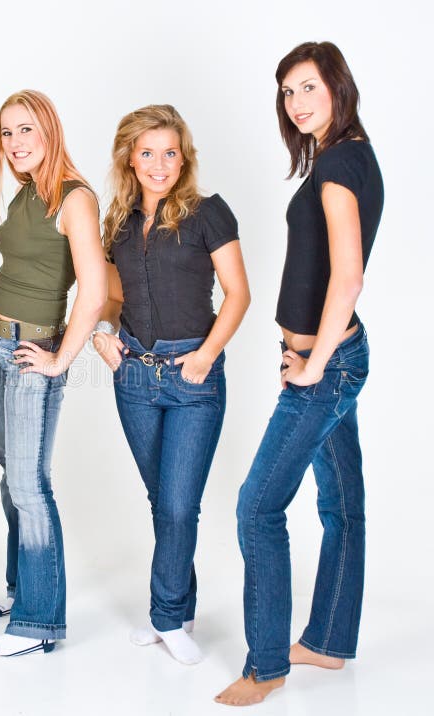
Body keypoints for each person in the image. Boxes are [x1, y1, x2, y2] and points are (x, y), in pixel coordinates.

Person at [216, 41, 384, 706]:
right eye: (288, 92)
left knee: (257, 507)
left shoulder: (340, 164)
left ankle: (267, 666)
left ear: (338, 87)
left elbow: (349, 275)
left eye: (309, 87)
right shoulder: (351, 154)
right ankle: (329, 643)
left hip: (328, 365)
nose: (298, 103)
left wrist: (312, 365)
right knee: (343, 506)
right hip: (331, 359)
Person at [93, 104, 250, 665]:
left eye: (170, 152)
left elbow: (238, 293)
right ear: (129, 160)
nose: (160, 164)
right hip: (134, 374)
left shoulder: (209, 213)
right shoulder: (117, 223)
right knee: (165, 503)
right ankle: (179, 608)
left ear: (183, 158)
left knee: (180, 506)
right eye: (147, 153)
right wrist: (103, 332)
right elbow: (112, 298)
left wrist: (207, 356)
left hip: (193, 377)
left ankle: (165, 618)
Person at [0, 89, 106, 656]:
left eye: (26, 130)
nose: (15, 143)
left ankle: (38, 623)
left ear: (49, 131)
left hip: (31, 351)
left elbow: (94, 291)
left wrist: (59, 359)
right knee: (12, 471)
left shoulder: (76, 198)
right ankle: (23, 585)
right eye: (6, 133)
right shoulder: (29, 192)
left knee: (30, 484)